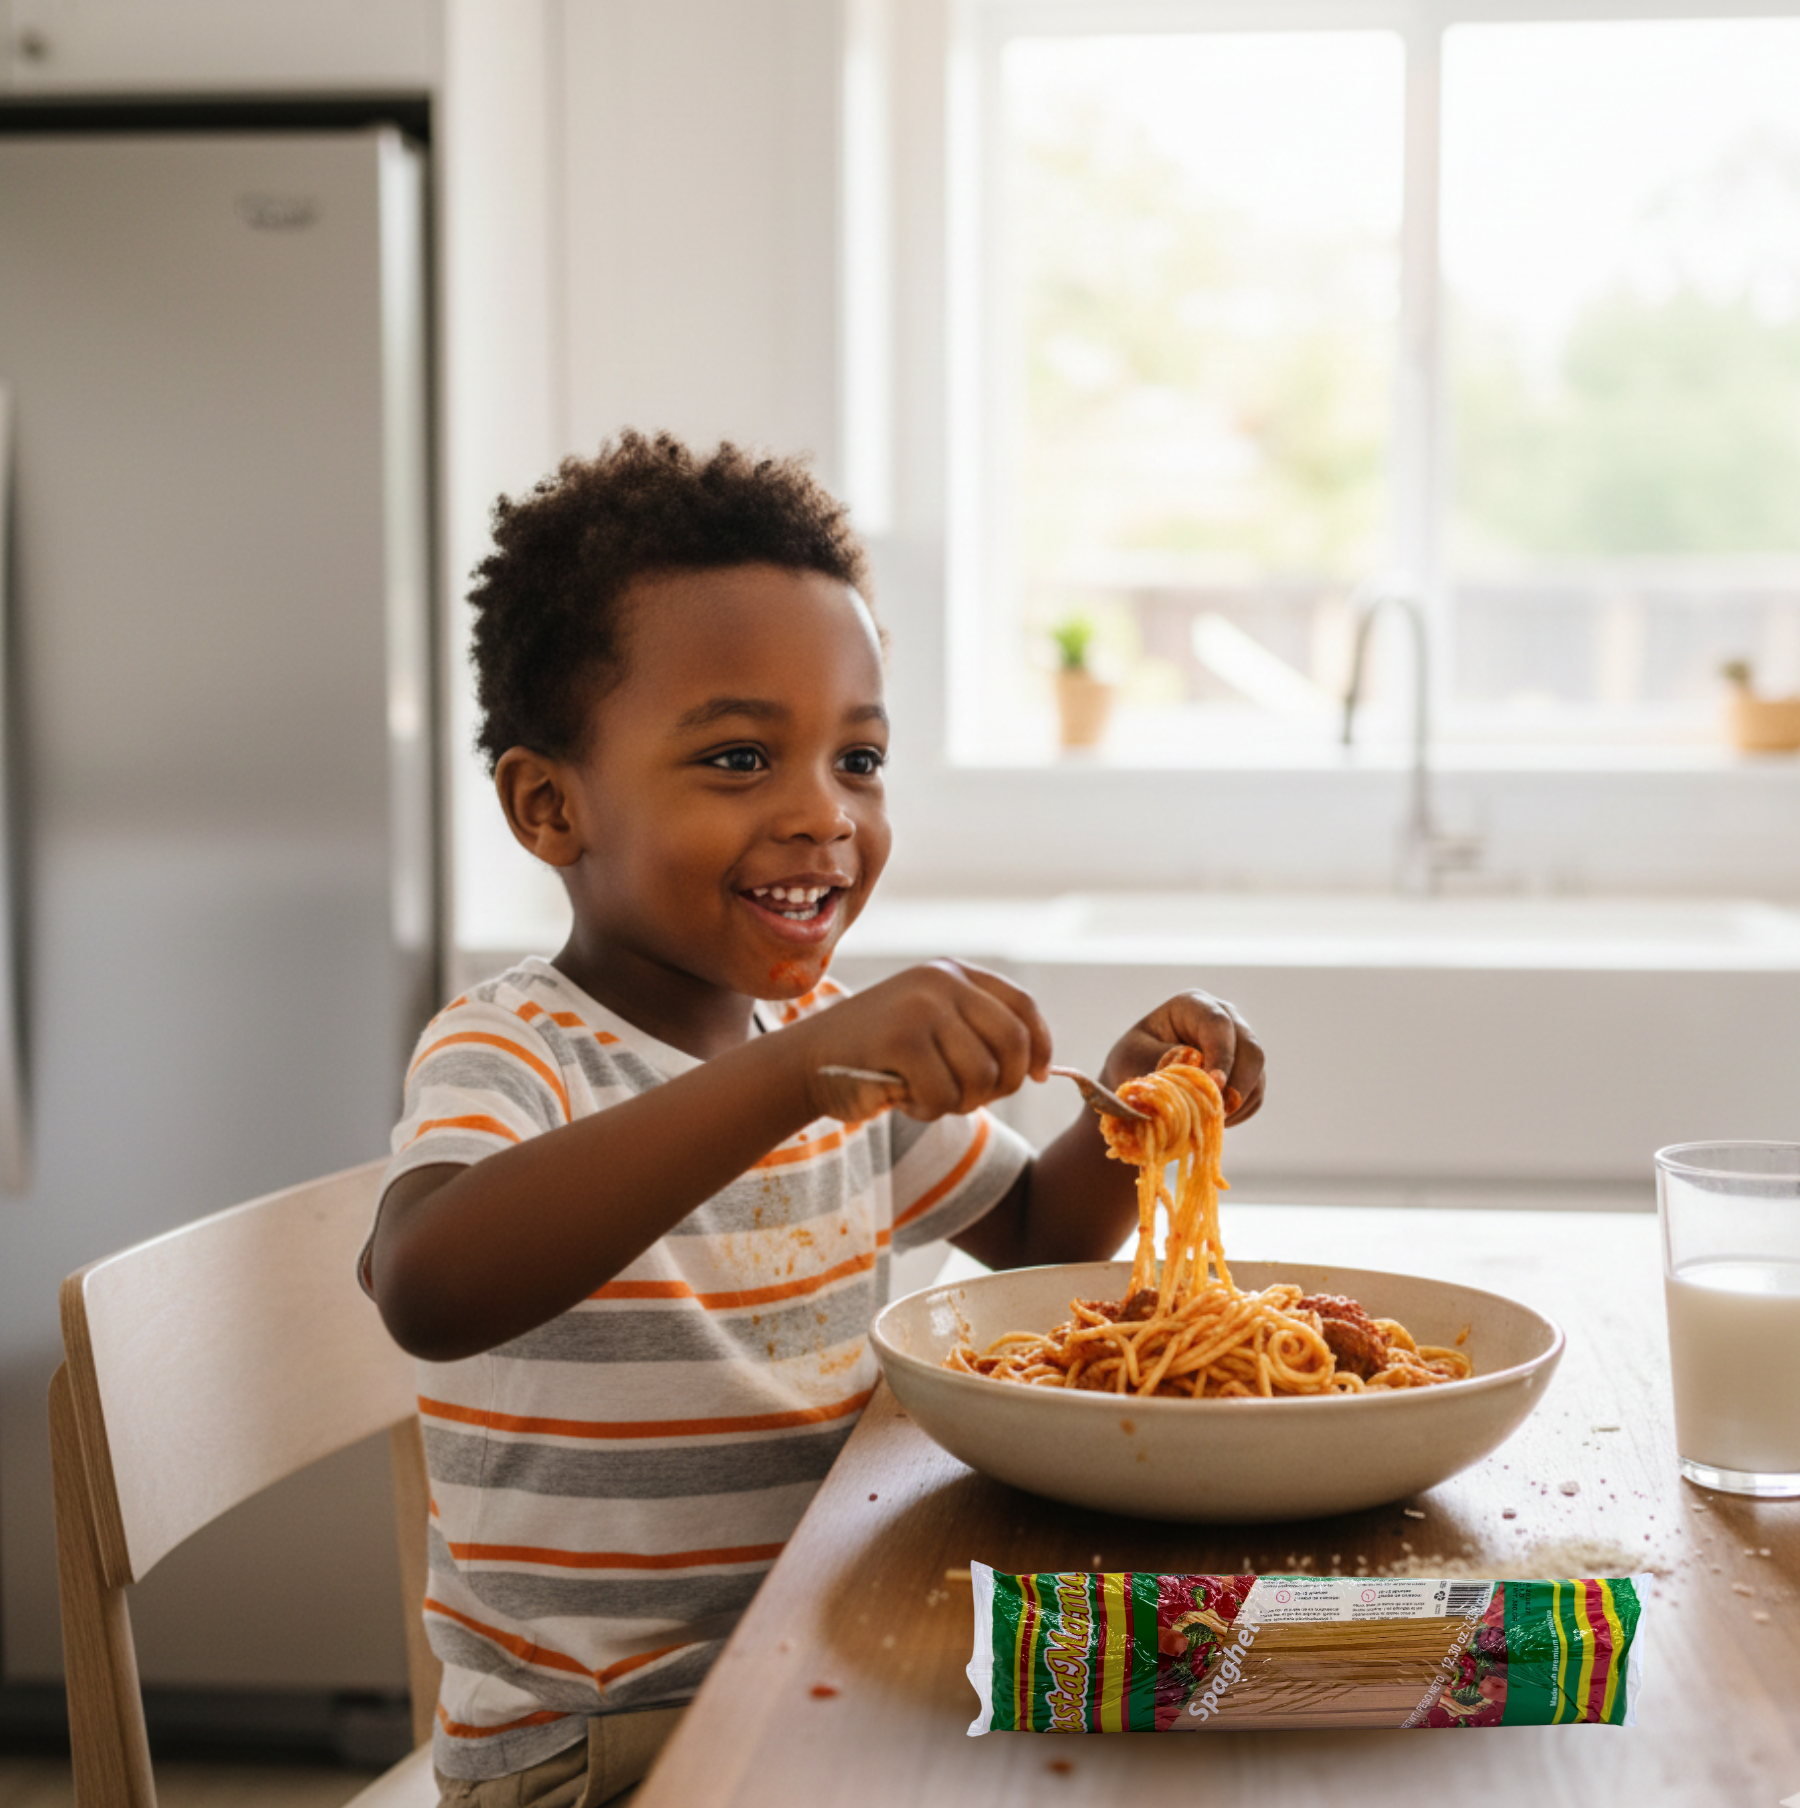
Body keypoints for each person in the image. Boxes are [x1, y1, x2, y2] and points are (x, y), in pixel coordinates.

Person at [364, 431, 1266, 1807]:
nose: (821, 817)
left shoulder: (819, 1048)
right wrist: (799, 1074)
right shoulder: (515, 1049)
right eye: (738, 757)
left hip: (818, 1668)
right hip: (598, 1752)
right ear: (551, 806)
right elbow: (426, 1284)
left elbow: (1036, 1236)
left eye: (860, 758)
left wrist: (1140, 1109)